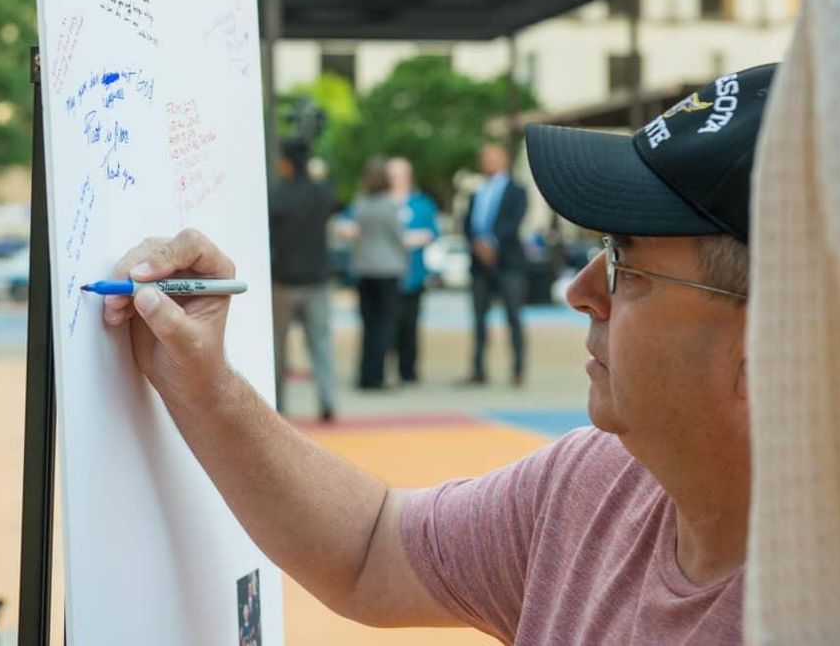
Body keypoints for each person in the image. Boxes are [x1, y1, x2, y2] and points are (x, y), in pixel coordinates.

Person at [102, 64, 774, 644]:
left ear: (774, 332)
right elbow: (370, 550)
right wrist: (206, 387)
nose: (581, 290)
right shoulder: (595, 484)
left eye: (625, 260)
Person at [268, 139, 339, 421]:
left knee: (279, 344)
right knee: (321, 342)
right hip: (317, 279)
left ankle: (278, 401)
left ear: (286, 163)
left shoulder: (277, 196)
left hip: (284, 280)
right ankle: (327, 400)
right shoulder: (321, 194)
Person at [463, 143, 528, 387]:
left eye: (491, 157)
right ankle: (478, 369)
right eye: (483, 158)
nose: (486, 162)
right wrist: (477, 244)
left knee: (513, 316)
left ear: (504, 160)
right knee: (479, 318)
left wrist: (492, 243)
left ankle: (518, 370)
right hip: (479, 264)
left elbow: (514, 220)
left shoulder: (517, 191)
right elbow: (468, 224)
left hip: (508, 262)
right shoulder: (476, 192)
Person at [345, 157, 407, 390]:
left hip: (365, 268)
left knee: (368, 324)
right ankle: (378, 375)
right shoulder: (389, 206)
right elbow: (398, 237)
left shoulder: (361, 204)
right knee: (384, 325)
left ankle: (365, 373)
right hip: (387, 269)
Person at [386, 157, 439, 384]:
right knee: (385, 325)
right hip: (384, 275)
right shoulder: (378, 202)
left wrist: (410, 240)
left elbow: (432, 232)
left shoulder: (422, 203)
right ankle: (383, 369)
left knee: (410, 324)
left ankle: (408, 370)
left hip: (413, 276)